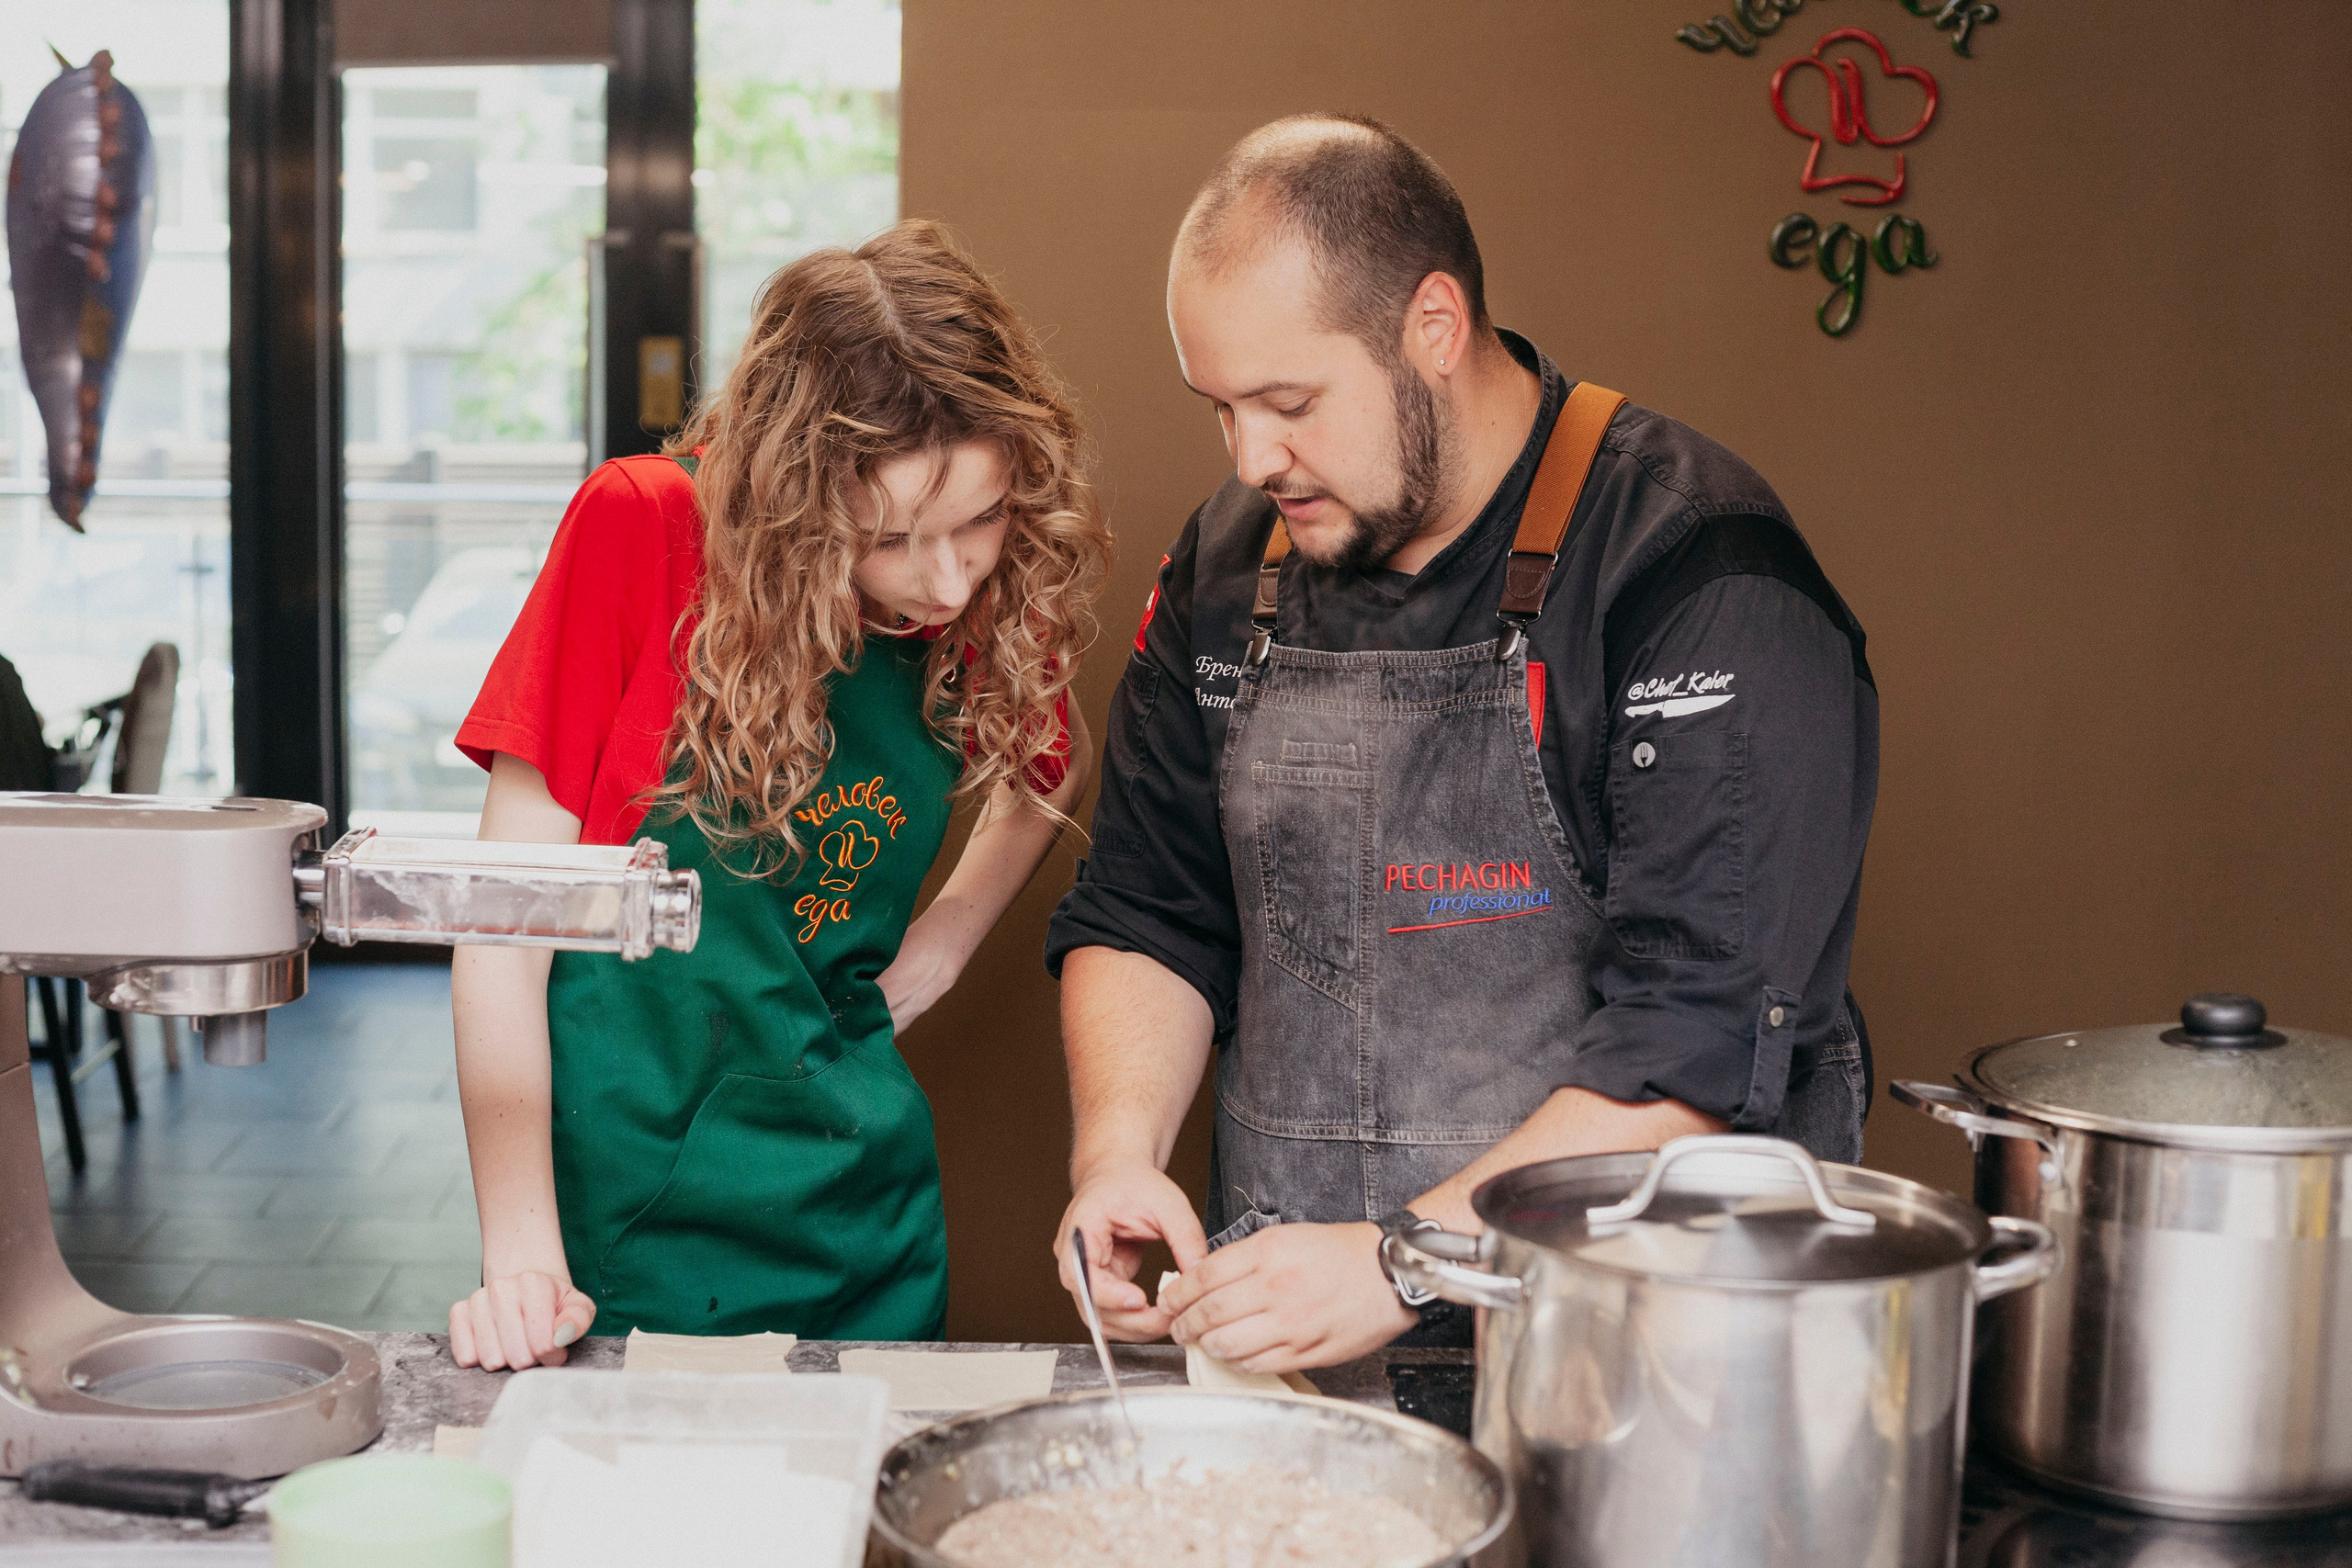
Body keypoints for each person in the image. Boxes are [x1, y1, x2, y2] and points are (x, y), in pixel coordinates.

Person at [1046, 116, 1878, 1372]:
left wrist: (1400, 1256)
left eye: (1287, 403)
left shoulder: (1697, 574)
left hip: (1641, 1379)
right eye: (1221, 409)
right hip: (1310, 1361)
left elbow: (1691, 1049)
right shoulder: (1229, 562)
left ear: (1433, 326)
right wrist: (1115, 1153)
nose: (1252, 458)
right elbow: (1151, 909)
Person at [447, 220, 1112, 1370]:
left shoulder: (977, 602)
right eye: (893, 538)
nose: (947, 579)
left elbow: (1060, 761)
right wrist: (519, 1250)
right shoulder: (645, 530)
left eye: (982, 521)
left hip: (868, 1206)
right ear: (799, 496)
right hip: (639, 1213)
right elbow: (501, 926)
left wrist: (947, 940)